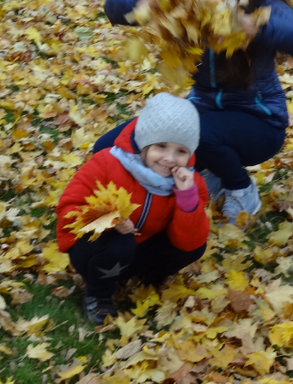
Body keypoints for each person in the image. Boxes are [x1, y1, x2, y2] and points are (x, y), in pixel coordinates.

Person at [95, 0, 293, 225]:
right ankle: (205, 170)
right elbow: (113, 6)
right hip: (202, 110)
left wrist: (256, 26)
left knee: (199, 135)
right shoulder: (182, 0)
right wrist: (145, 3)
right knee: (107, 147)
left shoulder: (261, 6)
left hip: (259, 121)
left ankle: (240, 189)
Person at [56, 93, 210, 324]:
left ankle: (149, 278)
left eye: (181, 151)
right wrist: (109, 219)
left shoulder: (190, 181)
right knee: (121, 243)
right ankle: (98, 295)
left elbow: (189, 242)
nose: (170, 158)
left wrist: (187, 199)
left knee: (197, 245)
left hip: (139, 252)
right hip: (96, 251)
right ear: (144, 142)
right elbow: (68, 211)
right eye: (161, 146)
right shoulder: (107, 163)